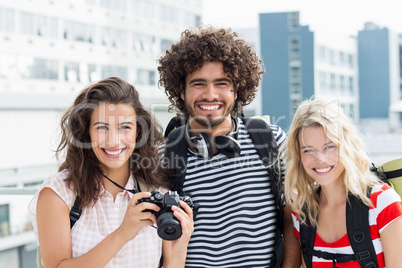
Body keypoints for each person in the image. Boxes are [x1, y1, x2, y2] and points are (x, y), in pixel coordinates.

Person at [157, 26, 301, 267]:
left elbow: (292, 220)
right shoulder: (164, 156)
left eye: (222, 83)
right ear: (181, 91)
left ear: (237, 89)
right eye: (198, 84)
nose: (210, 94)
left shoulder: (273, 141)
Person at [29, 77, 194, 268]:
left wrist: (180, 247)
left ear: (138, 133)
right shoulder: (58, 192)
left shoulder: (157, 191)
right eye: (102, 128)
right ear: (86, 132)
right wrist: (122, 234)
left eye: (125, 127)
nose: (114, 141)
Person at [283, 98, 402, 267]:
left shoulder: (383, 203)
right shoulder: (302, 213)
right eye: (308, 150)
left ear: (347, 146)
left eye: (329, 146)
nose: (320, 159)